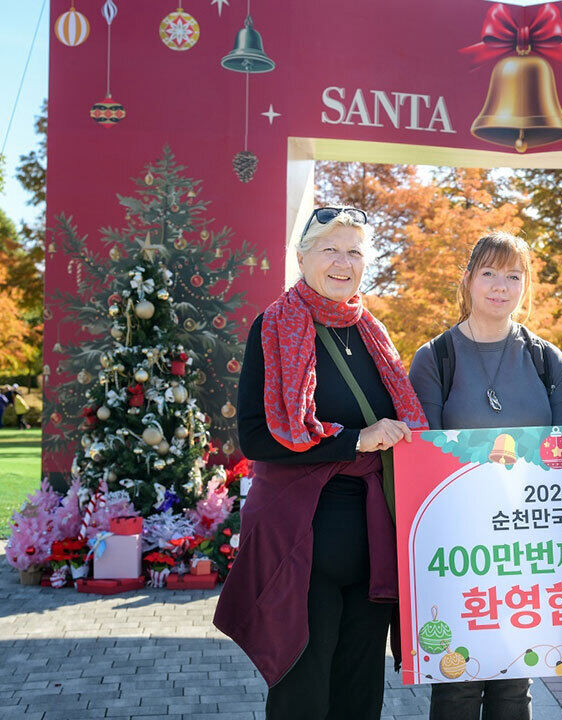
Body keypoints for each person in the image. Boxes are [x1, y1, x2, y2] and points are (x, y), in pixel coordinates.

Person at [214, 206, 428, 720]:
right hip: (301, 538)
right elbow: (255, 437)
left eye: (355, 251)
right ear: (302, 255)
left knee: (360, 684)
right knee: (302, 686)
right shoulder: (275, 326)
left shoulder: (374, 334)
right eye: (330, 248)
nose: (343, 262)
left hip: (372, 536)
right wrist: (356, 439)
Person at [409, 231, 562, 720]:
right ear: (467, 281)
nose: (500, 286)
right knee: (458, 680)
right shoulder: (434, 359)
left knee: (513, 682)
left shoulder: (547, 360)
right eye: (488, 273)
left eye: (513, 275)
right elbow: (427, 462)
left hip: (528, 547)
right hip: (459, 548)